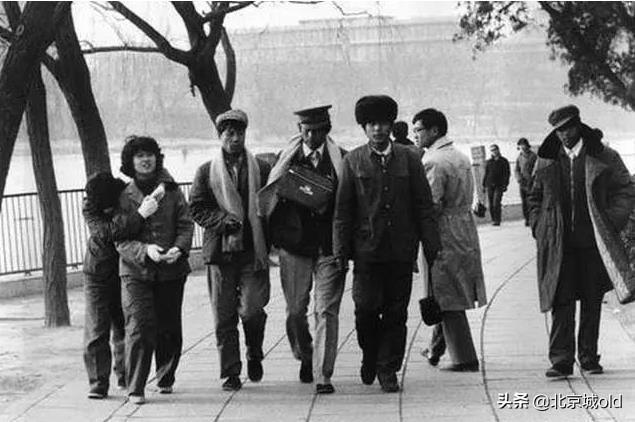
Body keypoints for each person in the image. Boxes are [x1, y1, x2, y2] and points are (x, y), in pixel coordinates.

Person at [333, 95, 440, 392]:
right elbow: (343, 212)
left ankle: (388, 367)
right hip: (366, 252)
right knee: (364, 311)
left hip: (401, 251)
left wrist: (432, 246)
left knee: (396, 313)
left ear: (391, 125)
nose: (378, 129)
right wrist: (340, 250)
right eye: (371, 124)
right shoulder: (352, 161)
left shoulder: (410, 158)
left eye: (382, 123)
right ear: (364, 128)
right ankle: (370, 353)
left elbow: (424, 206)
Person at [528, 105, 635, 379]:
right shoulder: (546, 160)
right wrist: (540, 226)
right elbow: (534, 197)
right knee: (561, 301)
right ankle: (561, 361)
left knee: (591, 300)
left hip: (594, 243)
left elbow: (625, 189)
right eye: (559, 130)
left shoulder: (604, 156)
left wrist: (611, 221)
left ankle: (589, 358)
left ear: (578, 126)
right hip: (559, 244)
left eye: (568, 128)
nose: (564, 134)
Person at [258, 105, 346, 394]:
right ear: (299, 130)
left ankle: (323, 374)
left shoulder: (341, 160)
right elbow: (268, 201)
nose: (311, 136)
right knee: (296, 311)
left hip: (329, 247)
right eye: (306, 131)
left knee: (326, 311)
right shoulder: (283, 160)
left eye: (317, 131)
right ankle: (306, 353)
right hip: (294, 247)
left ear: (326, 130)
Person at [189, 110, 271, 392]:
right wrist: (223, 221)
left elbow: (270, 205)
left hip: (252, 251)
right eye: (229, 134)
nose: (235, 139)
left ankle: (254, 351)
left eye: (240, 133)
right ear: (220, 136)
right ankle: (231, 371)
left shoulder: (261, 168)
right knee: (224, 316)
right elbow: (197, 208)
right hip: (220, 254)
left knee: (252, 310)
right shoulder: (206, 171)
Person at [116, 136, 194, 404]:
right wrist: (144, 250)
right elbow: (119, 238)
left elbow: (185, 224)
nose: (145, 160)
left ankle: (165, 377)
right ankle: (135, 387)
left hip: (171, 270)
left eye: (149, 154)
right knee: (139, 325)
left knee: (169, 326)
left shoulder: (172, 190)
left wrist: (179, 249)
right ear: (131, 161)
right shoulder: (123, 195)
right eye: (139, 155)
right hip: (135, 271)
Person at [412, 108, 487, 372]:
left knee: (445, 291)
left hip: (443, 230)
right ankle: (436, 348)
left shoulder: (432, 161)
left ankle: (464, 357)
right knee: (453, 287)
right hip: (464, 227)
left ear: (434, 130)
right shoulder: (460, 156)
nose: (415, 135)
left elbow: (431, 205)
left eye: (419, 130)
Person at [82, 172, 158, 399]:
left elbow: (124, 229)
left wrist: (135, 217)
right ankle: (98, 383)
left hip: (125, 269)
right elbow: (107, 233)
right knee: (97, 328)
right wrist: (139, 215)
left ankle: (124, 375)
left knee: (124, 326)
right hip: (97, 273)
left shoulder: (122, 195)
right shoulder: (90, 206)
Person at [482, 144, 510, 226]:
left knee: (496, 203)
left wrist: (505, 184)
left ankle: (497, 220)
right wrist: (483, 185)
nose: (493, 151)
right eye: (492, 150)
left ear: (498, 150)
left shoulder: (504, 161)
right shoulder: (489, 162)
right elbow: (486, 174)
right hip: (489, 185)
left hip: (499, 185)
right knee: (491, 204)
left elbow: (507, 174)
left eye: (494, 149)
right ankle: (493, 219)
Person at [514, 137, 537, 226]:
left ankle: (533, 218)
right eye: (520, 146)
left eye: (523, 145)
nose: (522, 147)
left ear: (527, 146)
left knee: (531, 201)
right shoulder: (519, 157)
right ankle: (526, 219)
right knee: (524, 202)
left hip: (531, 182)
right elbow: (516, 170)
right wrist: (519, 178)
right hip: (522, 183)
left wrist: (533, 178)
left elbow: (537, 169)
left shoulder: (533, 156)